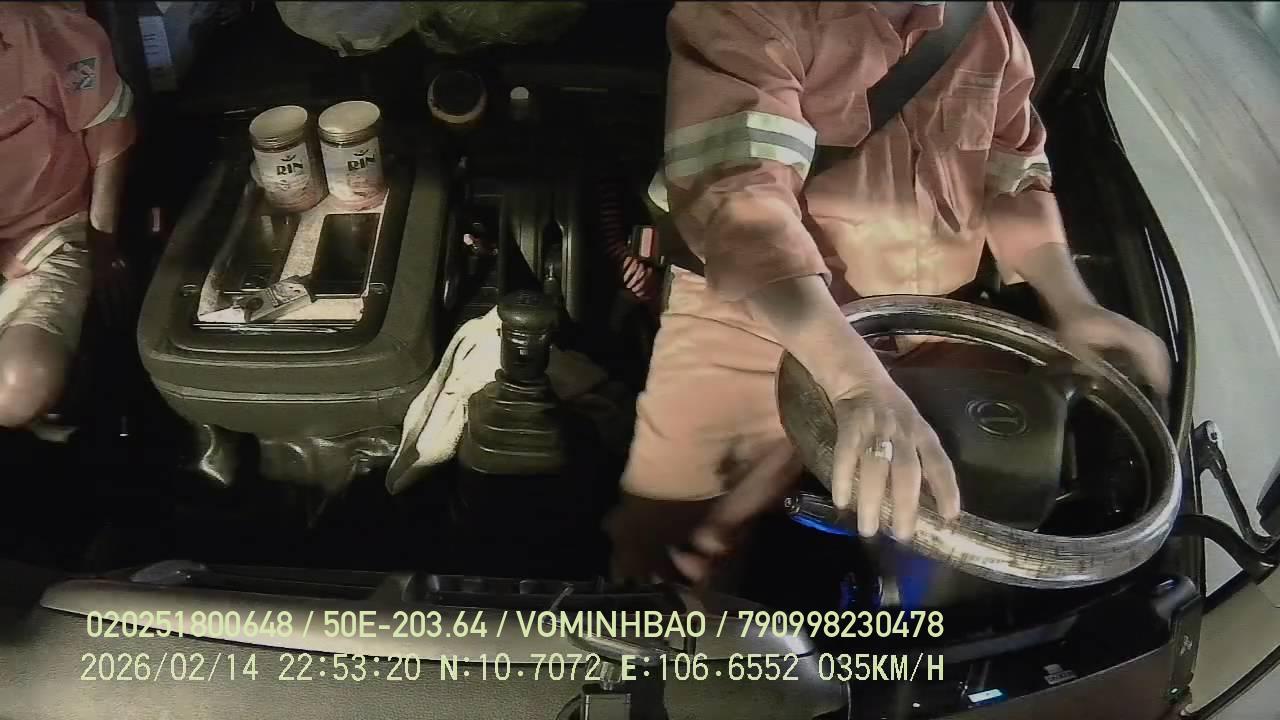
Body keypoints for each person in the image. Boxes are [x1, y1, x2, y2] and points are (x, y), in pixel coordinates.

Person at [607, 1, 1171, 585]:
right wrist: (854, 380)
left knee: (984, 525)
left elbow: (1014, 178)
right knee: (668, 545)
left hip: (935, 323)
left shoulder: (986, 27)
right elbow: (742, 208)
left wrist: (1072, 303)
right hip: (755, 314)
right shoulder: (747, 11)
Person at [0, 2, 135, 428]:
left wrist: (102, 241)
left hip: (47, 237)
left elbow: (108, 134)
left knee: (19, 386)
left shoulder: (48, 35)